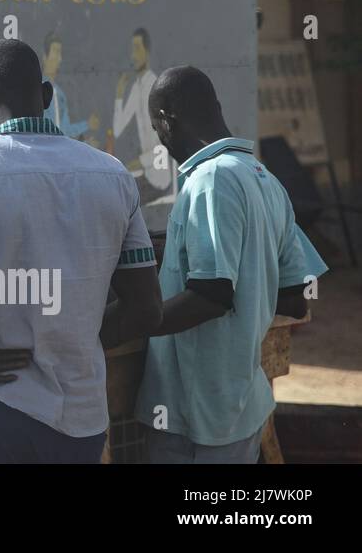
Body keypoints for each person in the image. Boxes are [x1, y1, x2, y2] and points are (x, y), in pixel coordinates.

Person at [0, 38, 162, 463]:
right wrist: (74, 338)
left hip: (2, 400)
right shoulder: (113, 175)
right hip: (83, 413)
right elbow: (146, 309)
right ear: (47, 95)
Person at [117, 66, 329, 464]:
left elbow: (211, 295)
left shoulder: (210, 179)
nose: (161, 142)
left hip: (196, 414)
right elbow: (296, 296)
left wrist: (135, 320)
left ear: (166, 120)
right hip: (240, 405)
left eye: (156, 129)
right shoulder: (264, 178)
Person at [112, 28, 171, 200]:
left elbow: (163, 148)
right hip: (146, 174)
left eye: (137, 49)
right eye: (132, 49)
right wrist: (119, 95)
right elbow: (118, 129)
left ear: (147, 51)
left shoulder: (155, 87)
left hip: (158, 181)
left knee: (117, 197)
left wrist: (134, 164)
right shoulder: (138, 87)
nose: (133, 55)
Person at [41, 32, 99, 142]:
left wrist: (88, 125)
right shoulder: (36, 89)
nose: (59, 59)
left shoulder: (60, 95)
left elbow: (65, 130)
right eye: (56, 52)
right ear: (45, 56)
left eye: (60, 53)